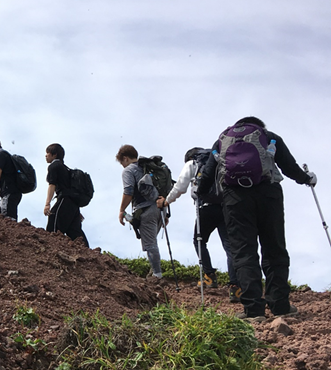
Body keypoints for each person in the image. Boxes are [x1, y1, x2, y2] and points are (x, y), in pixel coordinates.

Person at [198, 116, 317, 319]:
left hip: (234, 199)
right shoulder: (270, 137)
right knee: (274, 248)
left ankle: (253, 310)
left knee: (244, 252)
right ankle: (280, 306)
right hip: (269, 194)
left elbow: (208, 173)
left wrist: (198, 191)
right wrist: (307, 179)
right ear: (259, 127)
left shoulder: (221, 141)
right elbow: (289, 166)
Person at [157, 147, 239, 300]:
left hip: (206, 207)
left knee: (199, 240)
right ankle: (235, 287)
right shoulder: (217, 161)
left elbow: (180, 187)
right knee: (229, 246)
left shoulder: (192, 163)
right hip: (226, 206)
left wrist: (166, 201)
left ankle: (209, 276)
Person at [116, 144, 163, 279]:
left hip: (146, 209)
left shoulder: (129, 170)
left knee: (150, 244)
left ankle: (157, 275)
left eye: (121, 163)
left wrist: (121, 210)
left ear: (125, 158)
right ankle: (153, 271)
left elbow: (128, 192)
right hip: (161, 208)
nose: (123, 166)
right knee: (151, 241)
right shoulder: (147, 167)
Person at [44, 143, 88, 246]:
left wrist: (47, 204)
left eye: (47, 153)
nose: (46, 155)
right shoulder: (66, 168)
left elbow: (52, 185)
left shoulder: (54, 166)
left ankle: (51, 249)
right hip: (73, 203)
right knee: (75, 231)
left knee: (53, 223)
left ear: (54, 155)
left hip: (64, 199)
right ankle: (89, 253)